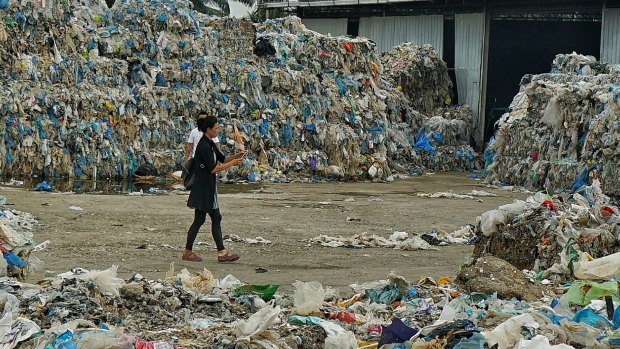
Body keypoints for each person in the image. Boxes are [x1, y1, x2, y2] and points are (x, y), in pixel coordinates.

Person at [183, 115, 247, 262]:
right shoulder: (204, 146)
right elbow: (213, 168)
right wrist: (233, 164)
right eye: (216, 128)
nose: (218, 130)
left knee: (202, 219)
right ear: (208, 129)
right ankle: (220, 252)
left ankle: (191, 252)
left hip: (206, 187)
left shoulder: (209, 143)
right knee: (211, 218)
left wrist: (239, 155)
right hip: (204, 188)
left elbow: (222, 159)